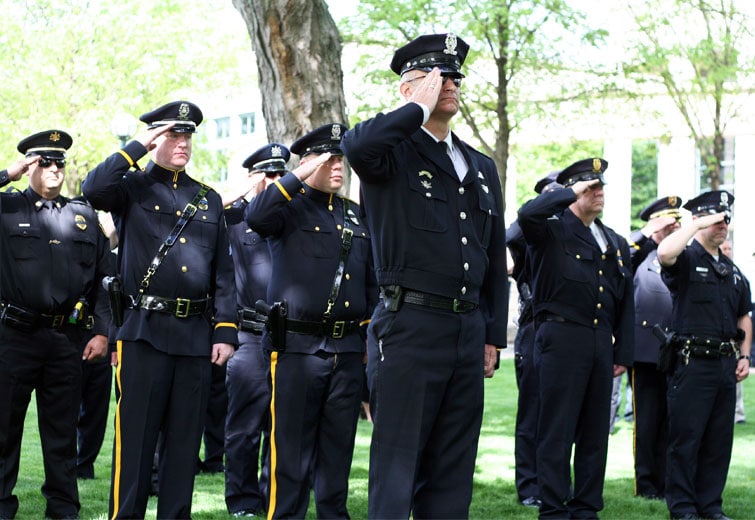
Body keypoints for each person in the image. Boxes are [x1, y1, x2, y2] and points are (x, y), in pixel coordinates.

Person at [341, 33, 508, 518]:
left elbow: (491, 254)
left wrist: (492, 332)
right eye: (437, 77)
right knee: (397, 467)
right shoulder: (391, 152)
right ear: (408, 90)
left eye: (454, 76)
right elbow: (358, 144)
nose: (450, 84)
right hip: (408, 324)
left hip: (466, 327)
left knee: (453, 471)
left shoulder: (479, 165)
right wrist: (417, 109)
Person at [81, 101, 238, 519]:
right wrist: (136, 147)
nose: (183, 142)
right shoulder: (130, 187)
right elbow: (92, 189)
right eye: (173, 134)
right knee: (135, 444)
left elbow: (223, 272)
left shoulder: (207, 198)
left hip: (193, 337)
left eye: (187, 135)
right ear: (154, 139)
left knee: (184, 448)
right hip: (143, 331)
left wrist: (224, 330)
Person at [245, 124, 378, 519]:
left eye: (342, 159)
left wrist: (367, 339)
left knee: (338, 451)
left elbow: (369, 281)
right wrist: (299, 174)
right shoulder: (288, 207)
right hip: (297, 349)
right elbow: (256, 215)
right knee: (290, 455)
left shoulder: (355, 215)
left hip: (347, 349)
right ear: (309, 163)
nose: (338, 166)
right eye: (329, 159)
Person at [0, 130, 112, 519]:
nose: (54, 169)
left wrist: (101, 330)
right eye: (43, 162)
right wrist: (7, 174)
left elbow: (103, 277)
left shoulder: (82, 215)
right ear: (29, 165)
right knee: (4, 430)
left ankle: (63, 509)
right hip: (14, 336)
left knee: (62, 433)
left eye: (59, 162)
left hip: (66, 338)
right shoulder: (7, 208)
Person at [518, 158, 634, 519]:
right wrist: (567, 192)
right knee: (556, 428)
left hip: (600, 340)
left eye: (601, 186)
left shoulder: (614, 241)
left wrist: (623, 352)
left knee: (595, 432)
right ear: (573, 192)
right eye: (590, 187)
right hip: (560, 336)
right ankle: (552, 507)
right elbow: (526, 215)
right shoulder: (550, 230)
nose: (598, 193)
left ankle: (586, 507)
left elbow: (625, 301)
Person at [657, 190, 751, 520]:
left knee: (718, 442)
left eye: (726, 219)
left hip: (725, 365)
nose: (723, 225)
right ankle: (683, 508)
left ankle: (710, 506)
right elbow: (664, 253)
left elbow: (744, 315)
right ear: (701, 221)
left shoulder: (732, 269)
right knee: (686, 440)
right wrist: (695, 226)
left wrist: (745, 356)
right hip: (692, 363)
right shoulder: (686, 257)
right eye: (717, 219)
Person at [223, 142, 289, 517]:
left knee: (281, 429)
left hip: (292, 339)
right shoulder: (233, 219)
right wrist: (242, 191)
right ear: (252, 179)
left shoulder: (295, 217)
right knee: (245, 429)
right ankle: (243, 499)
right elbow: (199, 211)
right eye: (268, 175)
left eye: (282, 174)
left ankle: (272, 497)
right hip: (250, 337)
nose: (277, 182)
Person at [507, 171, 561, 509]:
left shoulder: (569, 233)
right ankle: (529, 485)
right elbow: (510, 235)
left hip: (563, 330)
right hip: (534, 325)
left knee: (560, 413)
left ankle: (554, 482)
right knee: (532, 412)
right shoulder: (529, 229)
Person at [627, 195, 682, 499]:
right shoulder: (639, 252)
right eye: (668, 222)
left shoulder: (682, 253)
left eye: (677, 221)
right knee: (647, 422)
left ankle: (668, 481)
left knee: (673, 422)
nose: (674, 226)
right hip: (646, 352)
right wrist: (647, 232)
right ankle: (646, 485)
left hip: (678, 350)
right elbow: (618, 255)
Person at [721, 239, 748, 425]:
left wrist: (745, 355)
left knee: (735, 380)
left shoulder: (738, 275)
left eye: (730, 248)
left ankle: (737, 414)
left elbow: (744, 314)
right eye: (725, 248)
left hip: (733, 341)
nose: (727, 251)